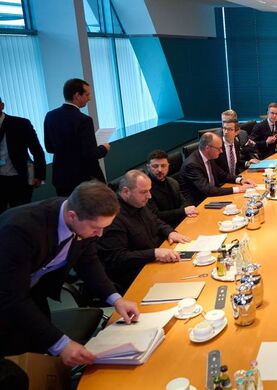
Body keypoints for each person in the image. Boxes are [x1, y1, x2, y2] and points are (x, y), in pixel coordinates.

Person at [0, 181, 139, 366]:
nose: (100, 234)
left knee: (39, 351)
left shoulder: (84, 219)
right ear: (72, 216)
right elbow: (12, 296)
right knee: (15, 361)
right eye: (96, 228)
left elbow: (88, 262)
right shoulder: (20, 229)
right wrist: (61, 344)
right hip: (7, 295)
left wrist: (116, 299)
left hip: (34, 292)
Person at [97, 170, 190, 292]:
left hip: (155, 262)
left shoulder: (138, 202)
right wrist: (154, 253)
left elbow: (155, 220)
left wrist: (170, 232)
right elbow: (117, 258)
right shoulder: (112, 217)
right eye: (144, 192)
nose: (149, 196)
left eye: (149, 190)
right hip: (136, 275)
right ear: (126, 191)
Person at [44, 79, 110, 196]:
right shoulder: (84, 120)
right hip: (82, 180)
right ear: (77, 96)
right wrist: (104, 148)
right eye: (87, 95)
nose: (89, 98)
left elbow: (49, 148)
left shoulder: (50, 116)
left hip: (61, 178)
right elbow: (90, 154)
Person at [179, 132, 255, 205]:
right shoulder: (192, 165)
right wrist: (238, 189)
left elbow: (222, 174)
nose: (221, 151)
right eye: (219, 148)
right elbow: (207, 190)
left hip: (212, 197)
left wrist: (241, 180)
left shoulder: (209, 156)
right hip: (199, 203)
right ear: (207, 148)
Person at [0, 96, 46, 214]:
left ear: (2, 106)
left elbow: (36, 150)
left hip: (20, 178)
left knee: (21, 215)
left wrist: (39, 175)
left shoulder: (20, 124)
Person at [145, 150, 198, 228]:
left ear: (168, 166)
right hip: (164, 228)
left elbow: (184, 202)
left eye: (163, 166)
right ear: (148, 167)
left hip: (183, 222)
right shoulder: (145, 190)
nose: (160, 170)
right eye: (155, 166)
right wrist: (183, 211)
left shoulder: (173, 182)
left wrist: (187, 211)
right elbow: (156, 215)